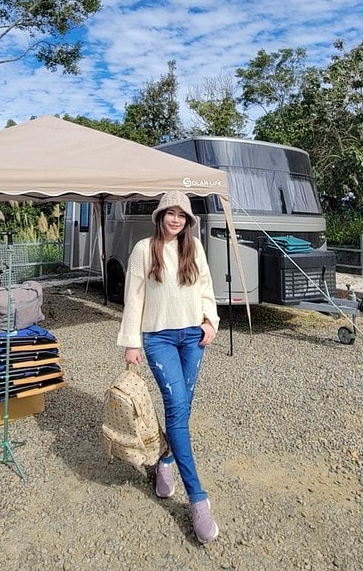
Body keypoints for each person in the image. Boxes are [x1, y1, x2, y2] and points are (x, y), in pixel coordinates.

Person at [117, 189, 220, 544]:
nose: (175, 219)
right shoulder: (144, 249)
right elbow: (134, 296)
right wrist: (131, 341)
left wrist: (211, 321)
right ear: (160, 216)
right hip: (158, 338)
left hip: (193, 336)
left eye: (181, 215)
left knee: (182, 408)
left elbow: (206, 287)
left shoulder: (194, 248)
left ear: (187, 221)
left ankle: (164, 460)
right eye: (169, 213)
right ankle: (198, 499)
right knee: (177, 409)